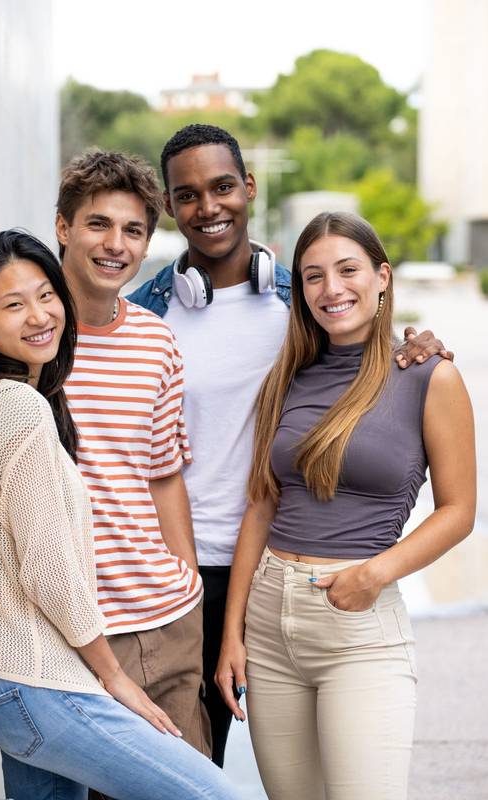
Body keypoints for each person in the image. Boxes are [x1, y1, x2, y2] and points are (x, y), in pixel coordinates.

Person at [128, 123, 453, 767]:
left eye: (223, 186)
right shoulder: (144, 315)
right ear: (170, 206)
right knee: (177, 771)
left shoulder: (299, 306)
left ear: (249, 187)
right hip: (167, 574)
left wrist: (419, 344)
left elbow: (368, 347)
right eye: (187, 195)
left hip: (264, 569)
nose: (208, 206)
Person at [0, 230, 240, 800]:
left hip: (8, 682)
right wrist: (113, 679)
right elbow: (49, 570)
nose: (39, 316)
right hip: (38, 685)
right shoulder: (19, 409)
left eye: (46, 295)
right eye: (13, 304)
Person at [215, 211, 476, 800]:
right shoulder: (288, 377)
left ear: (382, 278)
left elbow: (459, 510)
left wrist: (373, 574)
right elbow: (262, 503)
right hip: (269, 620)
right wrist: (233, 632)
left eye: (347, 269)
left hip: (360, 625)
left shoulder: (430, 376)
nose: (331, 289)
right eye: (312, 276)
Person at [54, 150, 211, 780]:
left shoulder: (156, 339)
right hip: (70, 629)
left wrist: (187, 581)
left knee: (191, 783)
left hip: (165, 620)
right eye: (98, 224)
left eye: (134, 230)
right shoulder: (29, 337)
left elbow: (164, 472)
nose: (115, 245)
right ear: (63, 227)